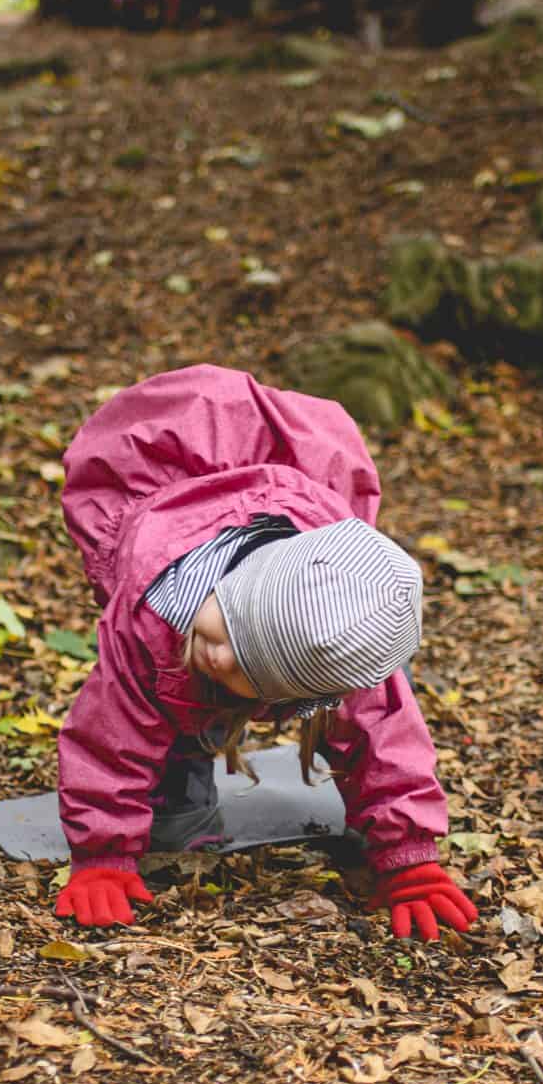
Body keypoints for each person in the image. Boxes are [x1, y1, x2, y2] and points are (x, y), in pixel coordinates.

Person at [52, 365, 477, 939]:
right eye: (227, 626)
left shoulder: (343, 637)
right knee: (182, 685)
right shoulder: (149, 616)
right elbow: (111, 732)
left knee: (357, 682)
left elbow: (384, 732)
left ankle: (367, 813)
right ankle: (179, 780)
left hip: (303, 555)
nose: (221, 653)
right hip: (167, 485)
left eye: (247, 665)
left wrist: (409, 859)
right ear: (233, 587)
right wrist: (104, 854)